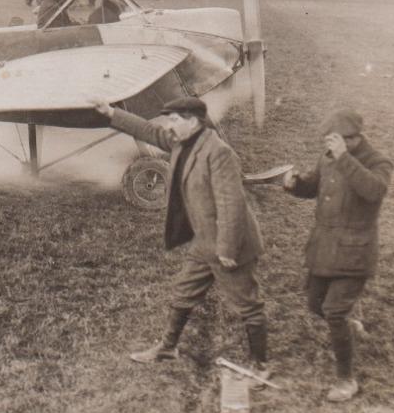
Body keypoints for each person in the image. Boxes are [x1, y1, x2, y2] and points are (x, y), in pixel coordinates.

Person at [92, 95, 269, 377]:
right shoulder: (182, 143)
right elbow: (149, 131)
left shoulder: (219, 153)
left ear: (193, 121)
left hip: (230, 244)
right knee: (183, 292)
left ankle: (261, 366)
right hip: (205, 242)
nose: (169, 126)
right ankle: (167, 347)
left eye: (174, 120)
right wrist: (111, 113)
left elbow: (231, 205)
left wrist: (227, 250)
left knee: (247, 304)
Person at [282, 109, 393, 402]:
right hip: (324, 247)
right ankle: (348, 327)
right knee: (315, 305)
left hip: (355, 253)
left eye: (338, 140)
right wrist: (296, 184)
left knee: (333, 310)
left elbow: (373, 191)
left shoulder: (378, 161)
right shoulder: (329, 156)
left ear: (355, 138)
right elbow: (314, 186)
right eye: (330, 140)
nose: (330, 145)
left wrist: (345, 158)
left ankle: (346, 379)